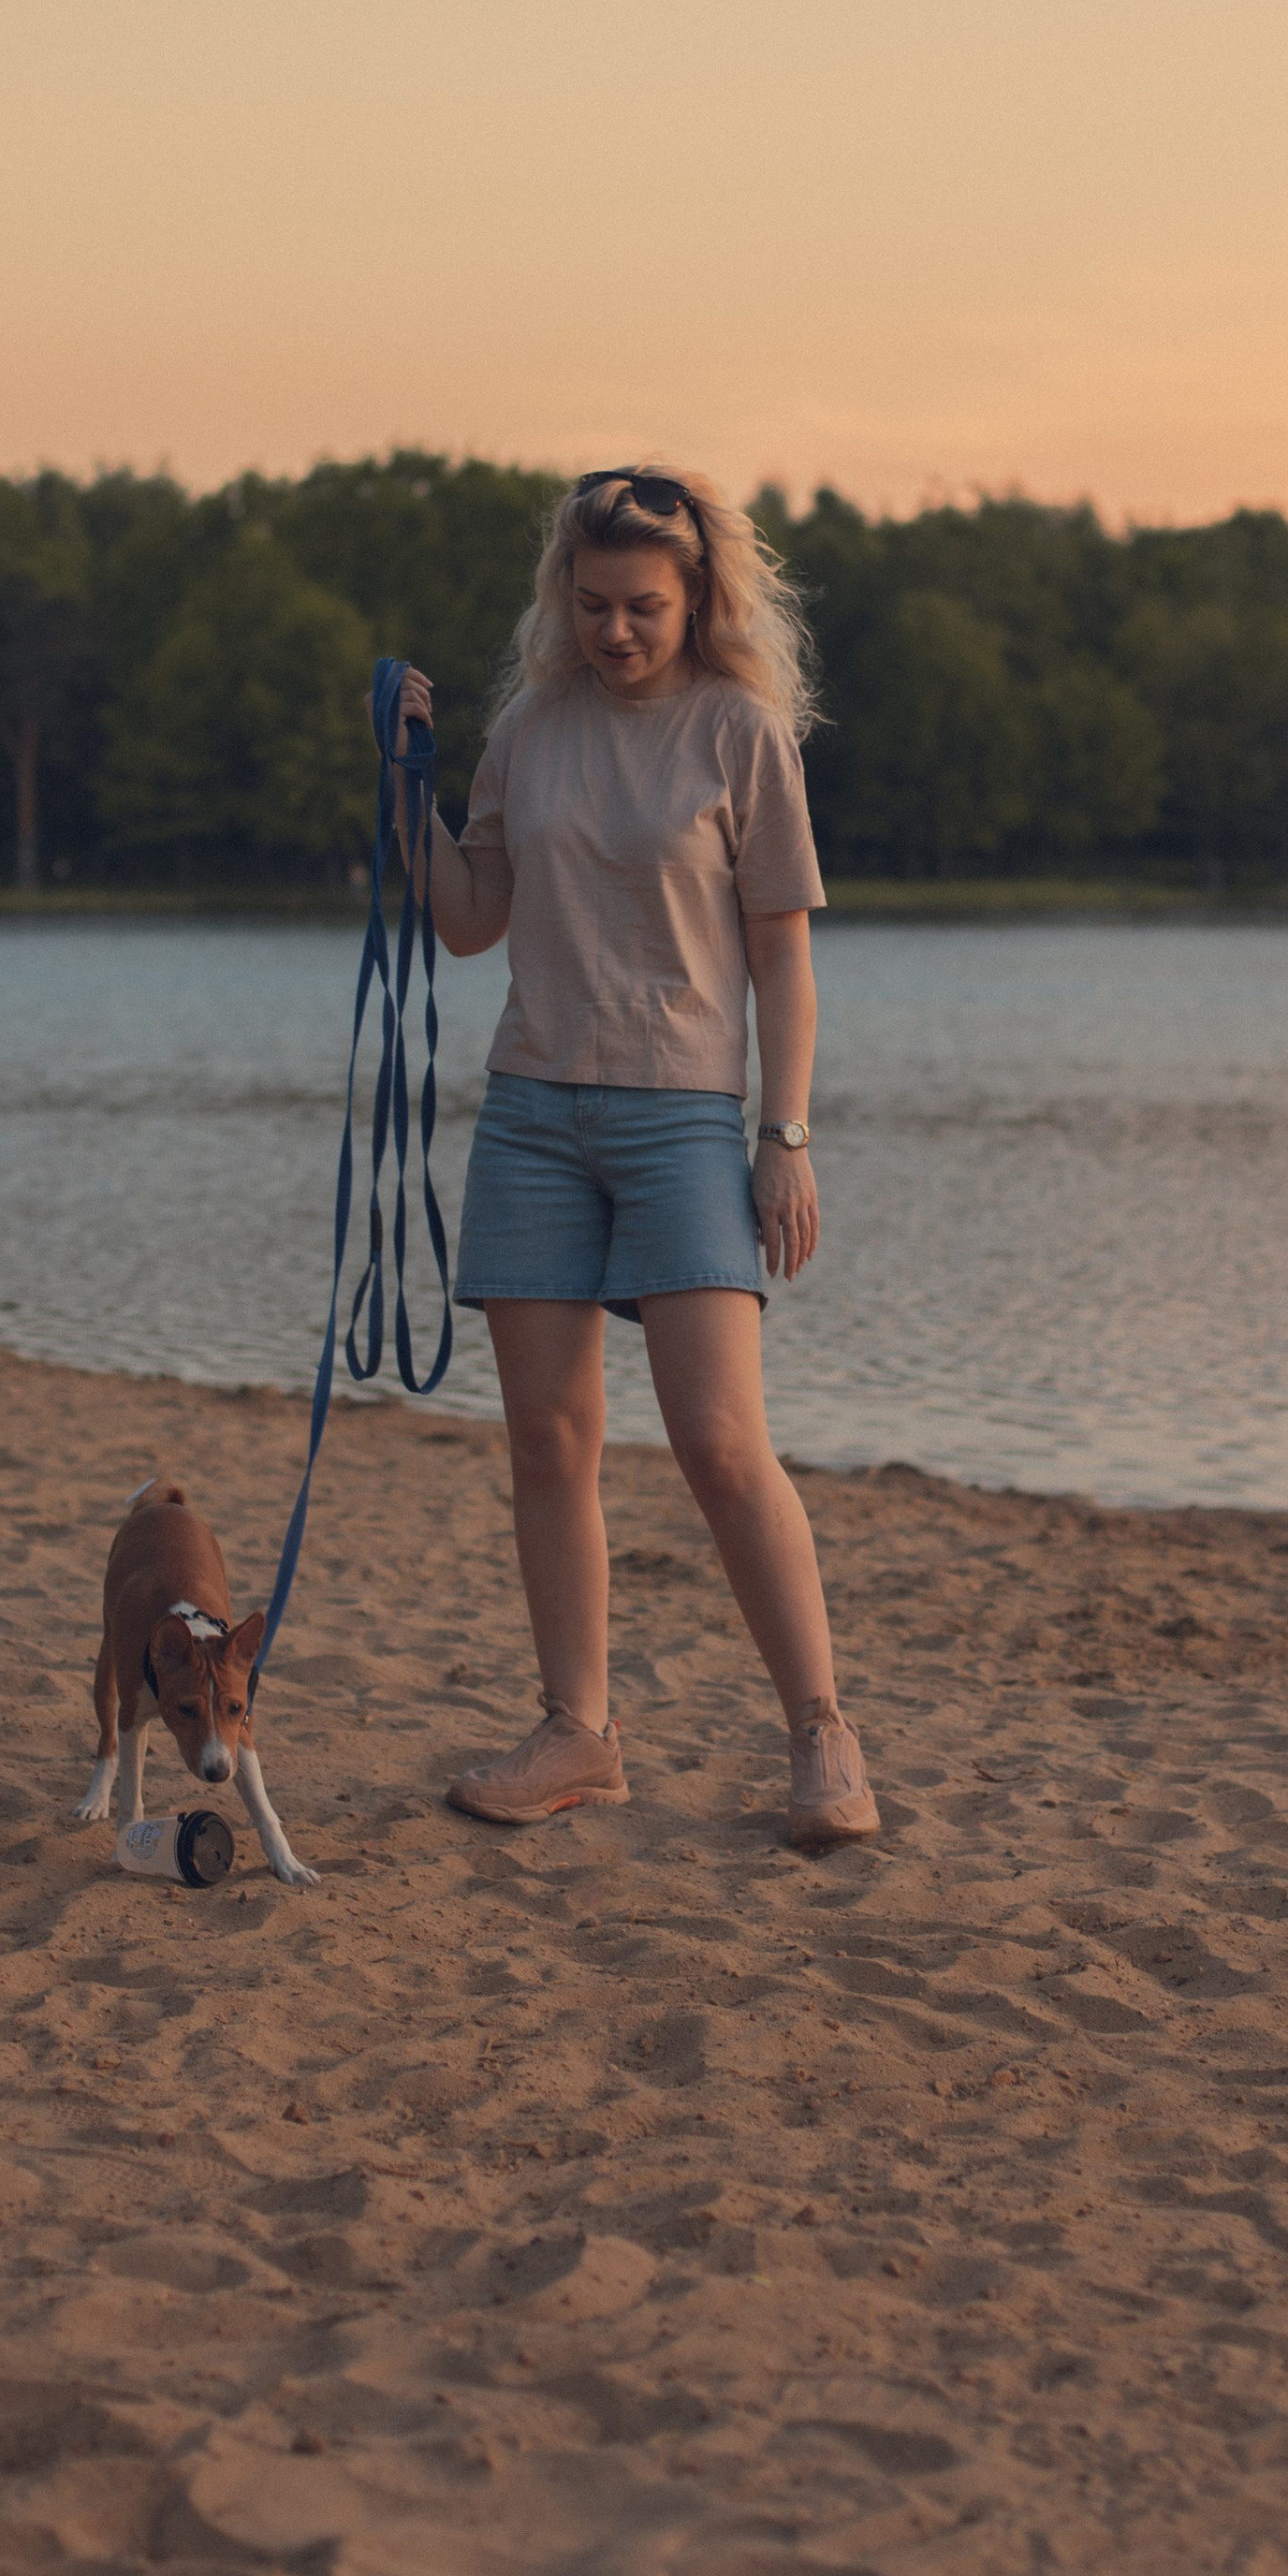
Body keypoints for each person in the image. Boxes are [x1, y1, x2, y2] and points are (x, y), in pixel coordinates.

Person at [386, 464, 879, 1850]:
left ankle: (822, 1735)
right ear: (565, 599)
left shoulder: (740, 732)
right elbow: (472, 918)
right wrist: (403, 794)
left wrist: (782, 1138)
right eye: (593, 605)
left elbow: (786, 962)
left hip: (681, 1119)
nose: (616, 631)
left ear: (699, 596)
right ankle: (578, 1735)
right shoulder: (531, 729)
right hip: (534, 1111)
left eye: (644, 607)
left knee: (721, 1446)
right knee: (549, 1439)